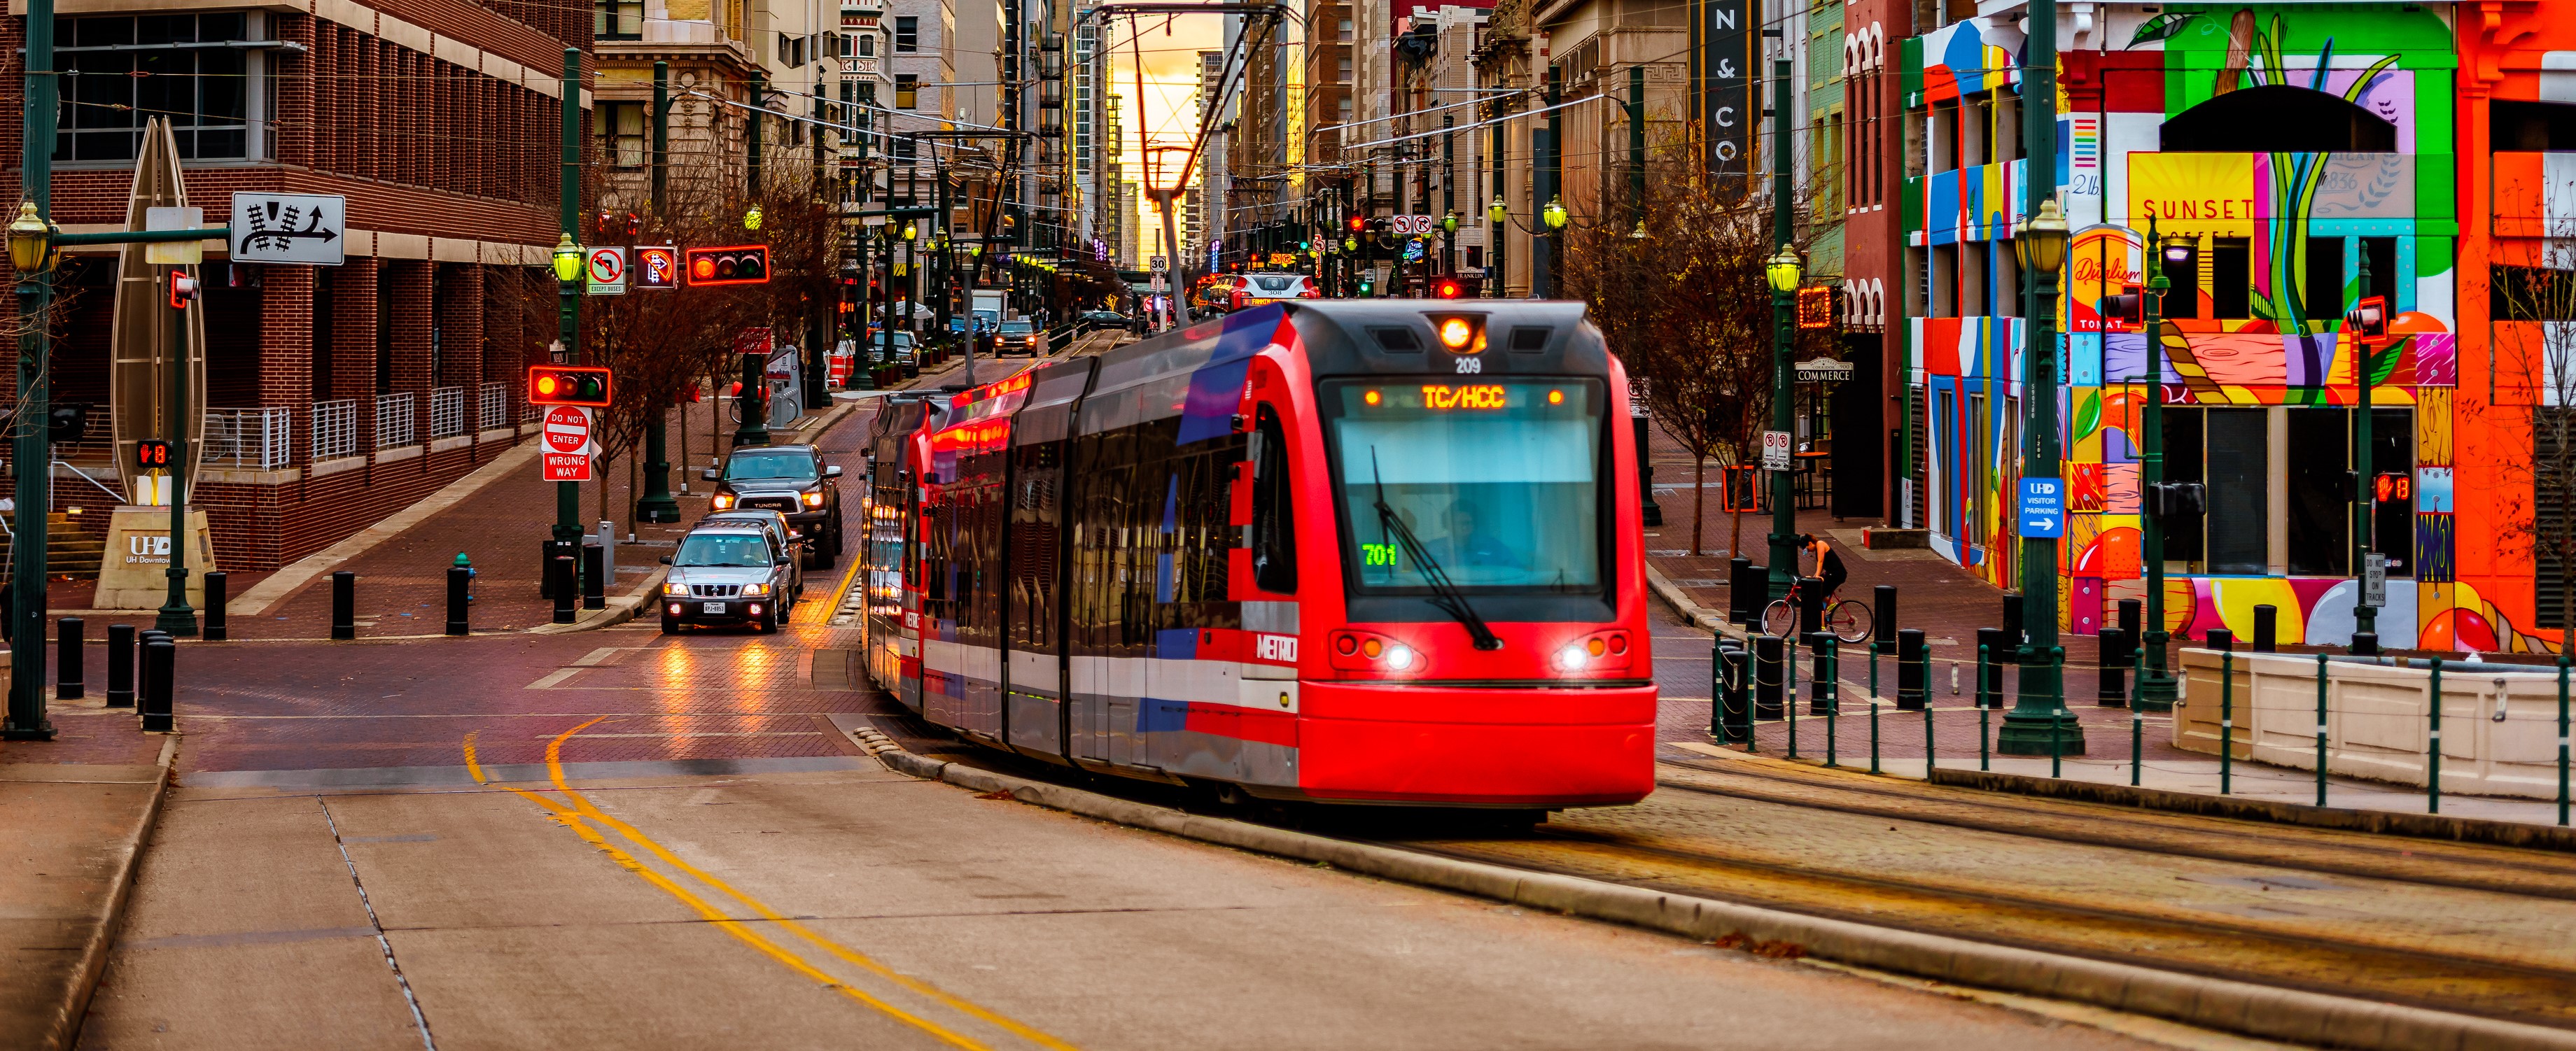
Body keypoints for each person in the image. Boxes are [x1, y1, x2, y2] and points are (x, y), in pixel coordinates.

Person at [1432, 501, 1520, 569]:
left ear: (1475, 524)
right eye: (1459, 523)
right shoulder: (1435, 548)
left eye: (1468, 523)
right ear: (1448, 525)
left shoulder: (1493, 546)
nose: (1464, 527)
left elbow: (1515, 570)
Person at [1800, 532, 1848, 602]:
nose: (1808, 551)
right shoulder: (1817, 548)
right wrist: (1814, 578)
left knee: (1818, 595)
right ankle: (1832, 606)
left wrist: (1816, 577)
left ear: (1810, 543)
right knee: (1816, 591)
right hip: (1831, 573)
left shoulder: (1820, 544)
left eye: (1807, 549)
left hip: (1837, 574)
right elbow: (1821, 566)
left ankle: (1823, 611)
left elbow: (1820, 562)